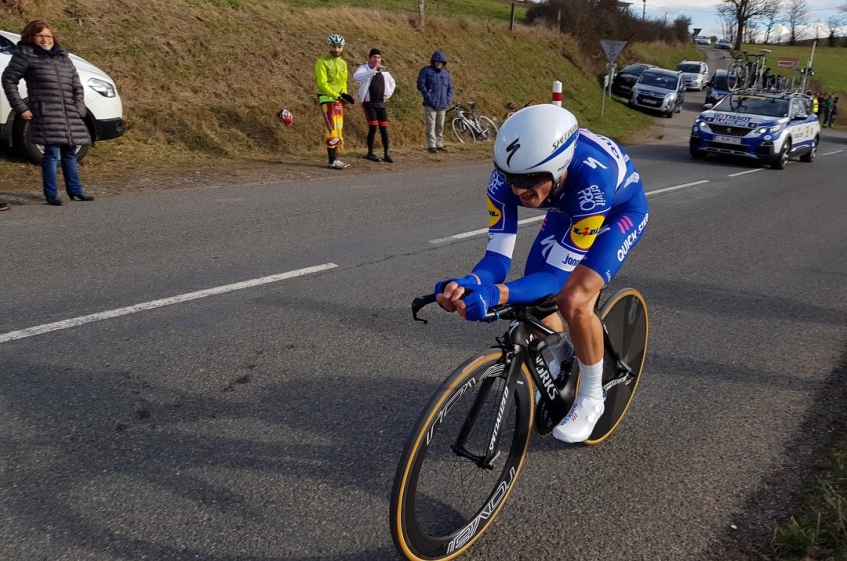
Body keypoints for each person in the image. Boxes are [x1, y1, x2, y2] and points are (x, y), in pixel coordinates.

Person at [435, 104, 649, 443]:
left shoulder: (593, 181)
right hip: (567, 209)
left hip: (617, 212)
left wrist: (496, 294)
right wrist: (470, 283)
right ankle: (562, 356)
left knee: (573, 298)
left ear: (559, 168)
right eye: (512, 178)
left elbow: (554, 279)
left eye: (530, 180)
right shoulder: (504, 180)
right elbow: (497, 259)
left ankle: (593, 396)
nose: (519, 190)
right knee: (536, 301)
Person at [1, 20, 94, 206]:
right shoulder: (25, 56)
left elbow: (77, 85)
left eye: (48, 36)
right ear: (31, 37)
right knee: (51, 154)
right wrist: (21, 107)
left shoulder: (63, 57)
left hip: (69, 113)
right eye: (40, 36)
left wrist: (79, 108)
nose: (45, 40)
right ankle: (51, 194)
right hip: (46, 113)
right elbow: (8, 80)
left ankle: (75, 191)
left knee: (70, 152)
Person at [315, 33, 353, 170]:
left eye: (339, 47)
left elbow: (343, 82)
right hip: (326, 97)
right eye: (334, 47)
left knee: (338, 128)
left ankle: (336, 159)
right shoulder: (322, 62)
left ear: (343, 47)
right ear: (329, 46)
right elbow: (322, 83)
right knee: (331, 129)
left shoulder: (343, 63)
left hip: (337, 99)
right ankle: (332, 160)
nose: (336, 50)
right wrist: (336, 95)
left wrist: (344, 94)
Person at [353, 48, 396, 163]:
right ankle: (370, 152)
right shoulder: (364, 68)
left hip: (381, 104)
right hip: (369, 103)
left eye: (379, 57)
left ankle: (386, 153)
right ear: (370, 58)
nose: (377, 59)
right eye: (374, 57)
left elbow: (392, 83)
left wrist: (388, 94)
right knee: (373, 127)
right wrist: (372, 71)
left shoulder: (384, 71)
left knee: (384, 128)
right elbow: (356, 77)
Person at [416, 51, 454, 154]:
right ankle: (431, 145)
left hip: (442, 105)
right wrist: (428, 96)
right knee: (430, 126)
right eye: (437, 62)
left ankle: (439, 144)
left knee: (440, 126)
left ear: (443, 63)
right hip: (430, 104)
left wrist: (447, 99)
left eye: (441, 62)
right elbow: (420, 84)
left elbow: (451, 88)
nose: (439, 64)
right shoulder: (426, 71)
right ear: (433, 62)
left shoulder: (446, 74)